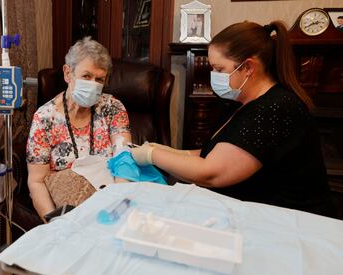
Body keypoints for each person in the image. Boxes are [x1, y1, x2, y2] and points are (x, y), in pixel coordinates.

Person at [131, 21, 335, 217]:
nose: (213, 75)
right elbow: (212, 153)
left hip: (289, 221)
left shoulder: (276, 108)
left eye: (219, 69)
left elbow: (211, 173)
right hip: (255, 211)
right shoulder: (240, 103)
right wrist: (172, 152)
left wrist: (152, 155)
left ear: (248, 67)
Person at [26, 37, 132, 220]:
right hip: (67, 204)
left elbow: (124, 162)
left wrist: (118, 207)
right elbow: (36, 181)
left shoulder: (113, 108)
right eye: (86, 76)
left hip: (109, 195)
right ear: (68, 74)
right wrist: (54, 223)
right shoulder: (44, 118)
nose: (93, 85)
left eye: (100, 79)